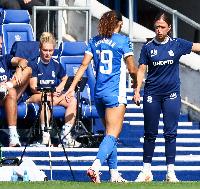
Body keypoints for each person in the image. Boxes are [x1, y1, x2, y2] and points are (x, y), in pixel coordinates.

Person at [133, 12, 200, 182]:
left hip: (171, 94)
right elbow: (141, 69)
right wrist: (137, 89)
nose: (159, 30)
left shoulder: (177, 44)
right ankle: (146, 171)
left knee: (170, 133)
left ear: (169, 28)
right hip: (152, 93)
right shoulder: (148, 47)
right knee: (150, 133)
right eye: (156, 27)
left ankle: (170, 172)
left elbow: (199, 46)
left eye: (162, 27)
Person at [65, 10, 138, 183]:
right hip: (115, 93)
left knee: (109, 135)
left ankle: (114, 174)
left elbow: (83, 65)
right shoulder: (122, 41)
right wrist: (136, 82)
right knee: (113, 134)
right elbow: (132, 68)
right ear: (119, 23)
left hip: (98, 93)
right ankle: (95, 167)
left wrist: (71, 88)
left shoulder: (94, 41)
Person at [26, 32, 80, 147]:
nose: (48, 53)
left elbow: (65, 79)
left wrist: (59, 88)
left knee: (72, 100)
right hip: (35, 96)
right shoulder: (34, 63)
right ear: (40, 48)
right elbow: (33, 87)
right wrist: (51, 93)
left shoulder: (56, 64)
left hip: (52, 96)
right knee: (46, 98)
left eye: (50, 51)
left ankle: (66, 135)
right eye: (45, 50)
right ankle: (45, 137)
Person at [0, 35, 32, 147]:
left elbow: (23, 60)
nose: (0, 47)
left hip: (7, 94)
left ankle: (8, 85)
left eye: (1, 44)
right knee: (11, 92)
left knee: (27, 70)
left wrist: (18, 69)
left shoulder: (4, 58)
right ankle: (13, 136)